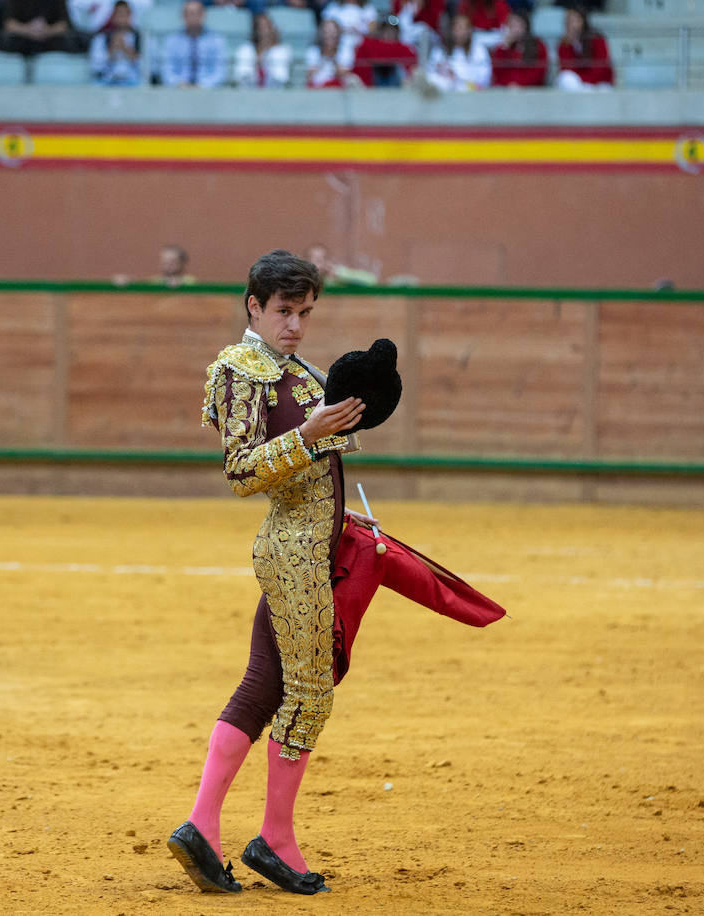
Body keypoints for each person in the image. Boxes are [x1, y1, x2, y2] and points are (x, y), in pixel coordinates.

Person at [167, 249, 505, 896]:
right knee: (310, 694)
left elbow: (316, 469)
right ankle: (274, 838)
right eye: (284, 312)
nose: (295, 324)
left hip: (318, 542)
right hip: (293, 552)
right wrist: (310, 433)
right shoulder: (241, 371)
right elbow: (241, 473)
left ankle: (203, 827)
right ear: (254, 307)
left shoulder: (297, 371)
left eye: (305, 312)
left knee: (265, 687)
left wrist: (341, 502)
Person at [161, 0, 227, 87]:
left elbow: (220, 72)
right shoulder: (171, 41)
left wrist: (203, 85)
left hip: (208, 92)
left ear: (204, 15)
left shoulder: (217, 41)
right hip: (177, 91)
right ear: (183, 16)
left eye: (197, 13)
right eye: (190, 14)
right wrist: (178, 84)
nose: (193, 17)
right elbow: (167, 71)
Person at [425, 14, 491, 91]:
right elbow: (430, 70)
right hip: (445, 89)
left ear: (469, 31)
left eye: (461, 28)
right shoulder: (441, 49)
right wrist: (444, 71)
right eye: (455, 28)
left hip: (469, 90)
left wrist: (456, 74)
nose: (458, 31)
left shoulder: (478, 50)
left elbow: (484, 77)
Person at [349, 12, 416, 87]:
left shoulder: (405, 48)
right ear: (380, 32)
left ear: (397, 33)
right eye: (385, 31)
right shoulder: (368, 46)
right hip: (372, 89)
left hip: (398, 88)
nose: (389, 33)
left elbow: (412, 69)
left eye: (392, 30)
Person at [555, 4, 612, 90]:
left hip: (598, 83)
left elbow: (601, 66)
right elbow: (566, 68)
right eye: (568, 21)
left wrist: (586, 81)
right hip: (577, 84)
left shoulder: (596, 38)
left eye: (574, 20)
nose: (571, 24)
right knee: (564, 78)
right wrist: (569, 44)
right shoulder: (564, 43)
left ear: (583, 21)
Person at [89, 0, 141, 85]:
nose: (122, 17)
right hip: (107, 81)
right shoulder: (102, 37)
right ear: (113, 16)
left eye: (125, 14)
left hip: (134, 82)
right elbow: (95, 67)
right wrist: (111, 50)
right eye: (119, 14)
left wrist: (125, 49)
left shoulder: (139, 37)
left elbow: (148, 68)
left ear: (130, 15)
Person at [233, 13, 292, 88]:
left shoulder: (281, 51)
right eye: (260, 28)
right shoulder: (245, 49)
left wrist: (265, 57)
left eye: (267, 27)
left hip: (274, 92)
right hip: (248, 92)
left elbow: (280, 78)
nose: (264, 31)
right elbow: (241, 77)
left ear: (272, 29)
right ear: (255, 30)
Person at [490, 11, 546, 87]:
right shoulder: (503, 48)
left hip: (531, 89)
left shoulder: (538, 45)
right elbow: (497, 71)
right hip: (506, 89)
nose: (515, 29)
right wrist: (505, 47)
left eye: (518, 25)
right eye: (511, 25)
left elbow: (539, 72)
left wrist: (520, 84)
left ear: (526, 26)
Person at [1, 0, 77, 56]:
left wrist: (47, 31)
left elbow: (64, 25)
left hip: (51, 45)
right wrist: (28, 30)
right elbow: (8, 24)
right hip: (20, 45)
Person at [305, 19, 358, 88]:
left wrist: (332, 55)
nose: (329, 34)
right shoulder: (313, 50)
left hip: (338, 85)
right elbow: (310, 74)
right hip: (318, 85)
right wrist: (324, 54)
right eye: (326, 31)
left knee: (353, 79)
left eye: (332, 31)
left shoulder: (345, 50)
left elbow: (344, 73)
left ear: (338, 33)